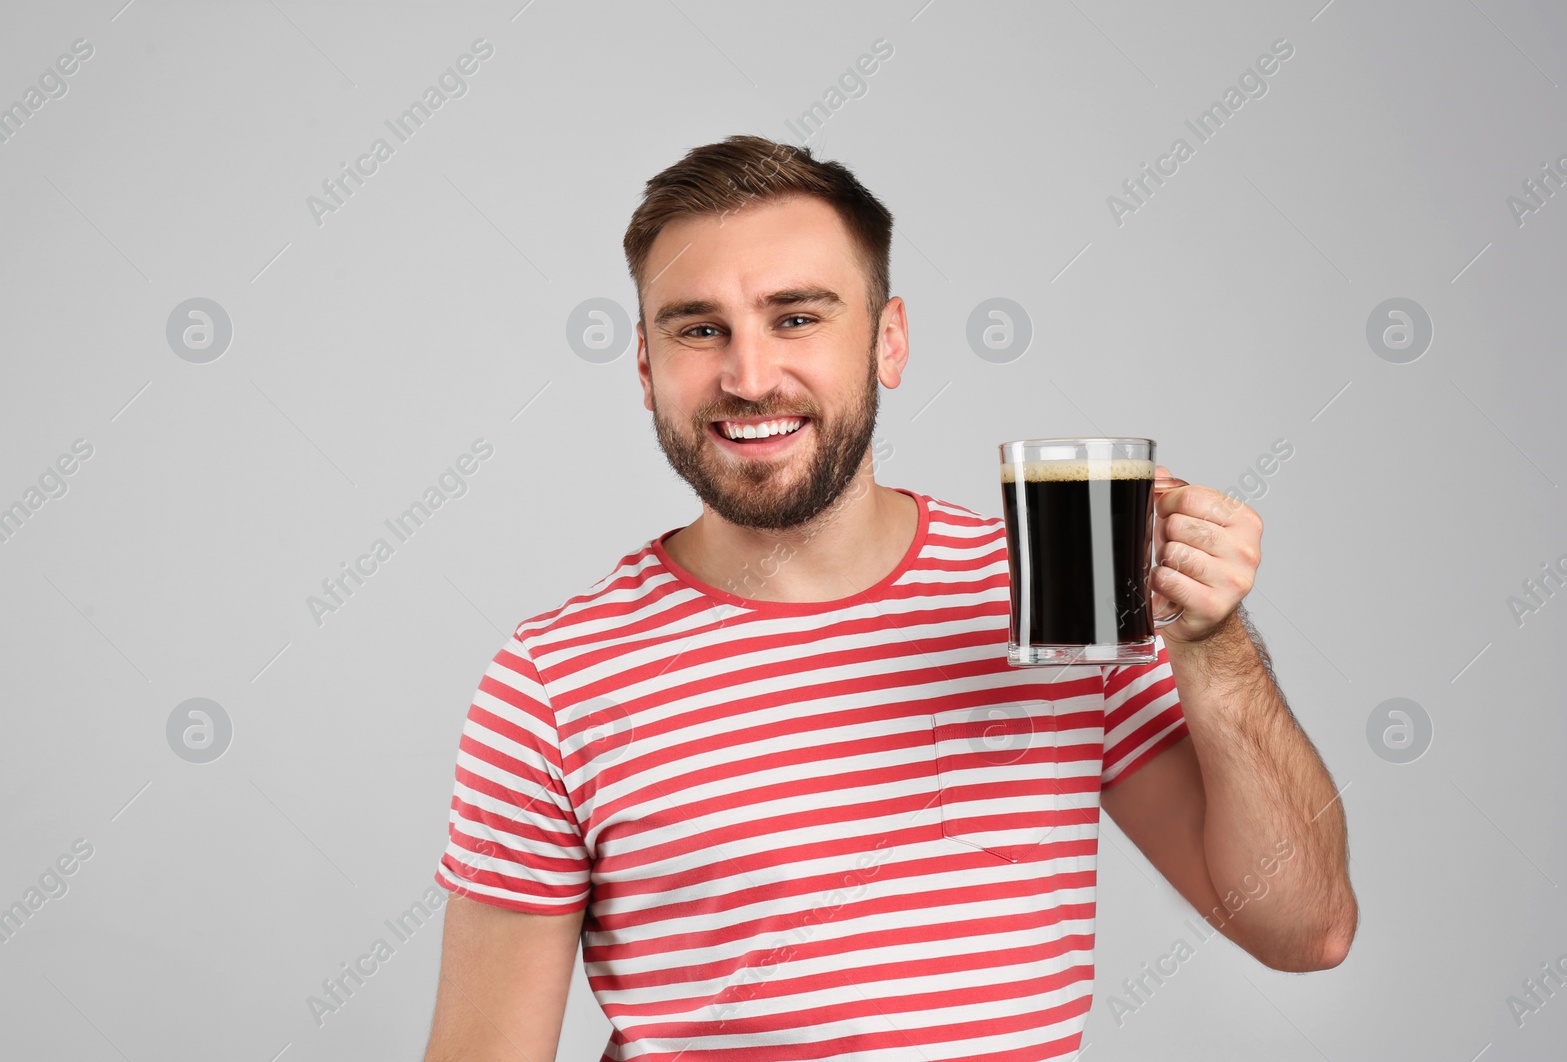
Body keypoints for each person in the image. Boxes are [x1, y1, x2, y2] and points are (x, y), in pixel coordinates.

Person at [421, 134, 1357, 1061]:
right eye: (699, 329)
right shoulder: (555, 683)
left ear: (890, 341)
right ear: (644, 368)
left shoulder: (1051, 598)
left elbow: (1303, 930)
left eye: (797, 318)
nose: (749, 378)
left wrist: (1214, 644)